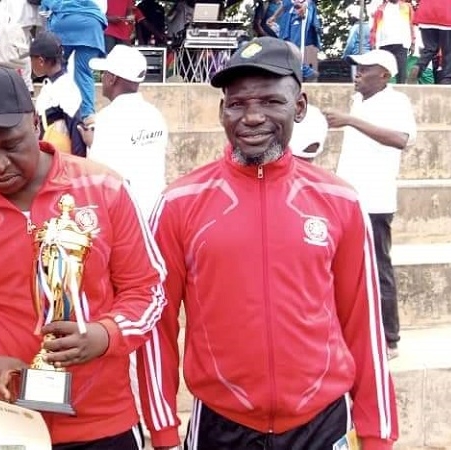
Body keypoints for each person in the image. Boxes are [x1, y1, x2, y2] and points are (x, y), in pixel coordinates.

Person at [143, 37, 398, 450]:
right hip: (222, 424)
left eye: (270, 102)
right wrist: (163, 431)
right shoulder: (179, 204)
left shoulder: (340, 201)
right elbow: (159, 325)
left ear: (299, 106)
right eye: (237, 103)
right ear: (222, 110)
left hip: (320, 422)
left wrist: (377, 435)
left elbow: (364, 324)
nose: (252, 117)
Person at [0, 66, 166, 448]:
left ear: (36, 126)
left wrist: (105, 335)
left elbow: (148, 290)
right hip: (3, 424)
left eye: (11, 145)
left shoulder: (104, 188)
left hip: (104, 421)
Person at [325, 49, 416, 361]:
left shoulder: (396, 102)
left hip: (375, 200)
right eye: (357, 69)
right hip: (348, 198)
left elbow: (401, 139)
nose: (358, 74)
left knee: (378, 268)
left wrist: (351, 121)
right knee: (343, 266)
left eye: (365, 69)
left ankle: (390, 338)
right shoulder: (359, 100)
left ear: (385, 76)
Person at [85, 44, 167, 211]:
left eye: (104, 73)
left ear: (112, 78)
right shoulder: (155, 115)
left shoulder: (107, 119)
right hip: (156, 208)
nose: (102, 78)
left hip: (127, 214)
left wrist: (92, 143)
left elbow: (100, 174)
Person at [42, 0, 107, 119]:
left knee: (57, 70)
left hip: (64, 23)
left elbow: (45, 10)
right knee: (84, 72)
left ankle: (58, 110)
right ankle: (87, 114)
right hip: (91, 24)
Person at [29, 31, 85, 156]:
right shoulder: (50, 85)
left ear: (41, 61)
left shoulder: (66, 88)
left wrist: (75, 169)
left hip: (61, 162)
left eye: (31, 59)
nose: (31, 64)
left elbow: (76, 132)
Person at [409, 0, 451, 84]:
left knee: (429, 48)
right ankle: (447, 79)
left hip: (426, 12)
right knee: (448, 51)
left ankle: (419, 67)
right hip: (448, 12)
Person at [369, 0, 414, 84]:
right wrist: (373, 43)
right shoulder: (380, 9)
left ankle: (401, 90)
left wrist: (413, 42)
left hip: (401, 43)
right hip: (384, 44)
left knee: (401, 71)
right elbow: (374, 28)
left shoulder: (407, 7)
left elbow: (411, 24)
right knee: (383, 71)